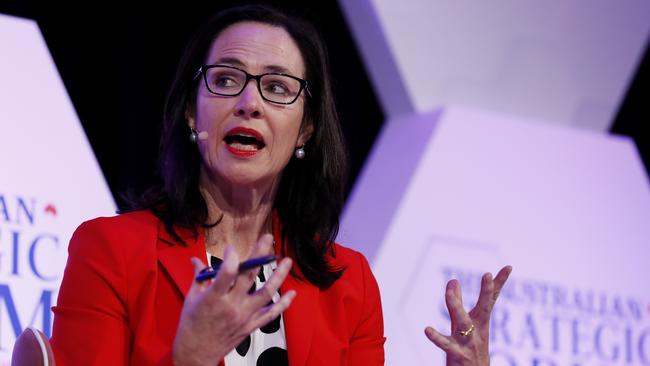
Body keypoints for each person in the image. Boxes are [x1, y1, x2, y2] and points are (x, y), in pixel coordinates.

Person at [50, 4, 511, 366]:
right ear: (192, 113)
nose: (249, 102)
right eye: (227, 79)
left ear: (306, 129)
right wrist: (189, 360)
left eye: (276, 87)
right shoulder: (110, 251)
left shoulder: (349, 285)